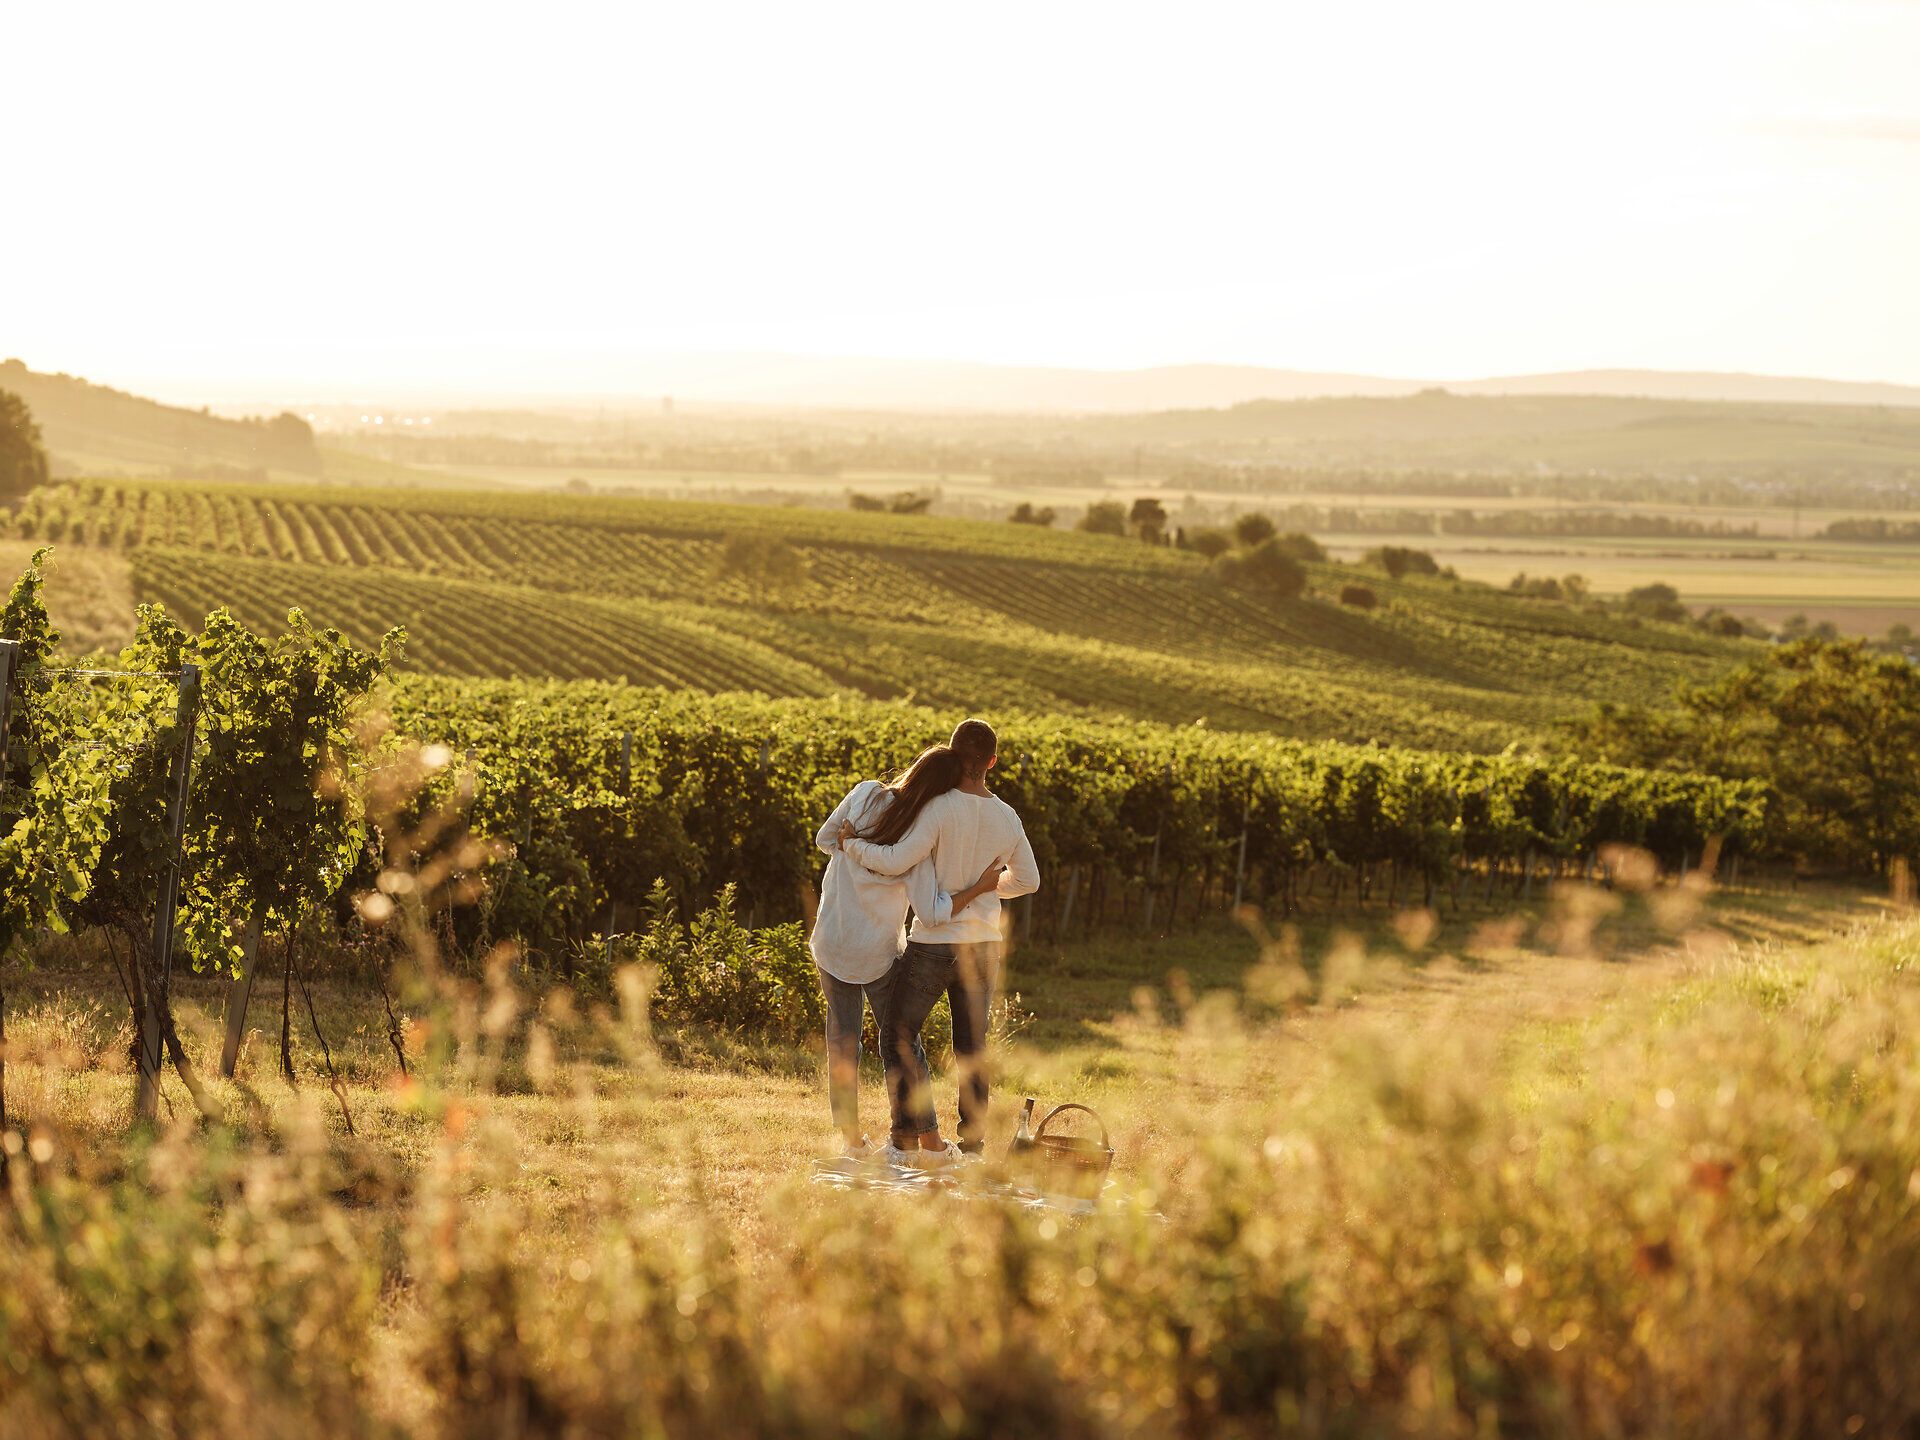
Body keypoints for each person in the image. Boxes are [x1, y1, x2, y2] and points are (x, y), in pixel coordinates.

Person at [840, 718, 1040, 1164]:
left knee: (898, 1034)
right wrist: (989, 887)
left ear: (953, 754)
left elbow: (898, 861)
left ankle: (906, 1140)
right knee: (972, 1046)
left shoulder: (938, 808)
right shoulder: (1007, 816)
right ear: (992, 761)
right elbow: (1029, 879)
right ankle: (971, 1147)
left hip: (934, 942)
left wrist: (852, 846)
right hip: (984, 944)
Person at [811, 745, 1004, 1157]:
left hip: (832, 939)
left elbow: (825, 839)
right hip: (878, 952)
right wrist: (979, 889)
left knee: (842, 1045)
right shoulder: (918, 839)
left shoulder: (864, 793)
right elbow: (933, 912)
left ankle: (850, 1141)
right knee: (902, 1044)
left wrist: (852, 849)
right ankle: (931, 1140)